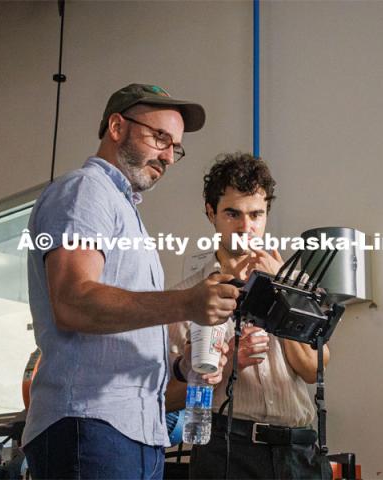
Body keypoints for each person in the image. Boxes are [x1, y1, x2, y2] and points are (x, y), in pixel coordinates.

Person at [21, 83, 238, 480]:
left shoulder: (123, 211)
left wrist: (181, 368)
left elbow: (119, 342)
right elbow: (72, 302)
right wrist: (186, 304)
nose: (169, 156)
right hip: (90, 426)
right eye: (160, 138)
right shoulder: (85, 191)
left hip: (133, 433)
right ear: (117, 126)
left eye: (176, 147)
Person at [168, 152, 332, 479]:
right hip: (226, 448)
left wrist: (283, 291)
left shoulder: (296, 283)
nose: (247, 227)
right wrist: (225, 365)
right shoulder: (189, 295)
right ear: (210, 212)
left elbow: (316, 368)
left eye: (256, 214)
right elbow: (168, 397)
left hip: (299, 450)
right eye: (233, 213)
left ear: (266, 213)